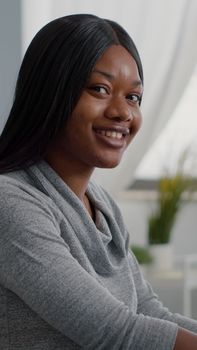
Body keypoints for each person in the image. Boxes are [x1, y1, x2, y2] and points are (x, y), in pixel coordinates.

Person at [0, 13, 196, 350]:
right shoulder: (10, 203)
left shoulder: (103, 205)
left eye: (133, 97)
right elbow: (113, 332)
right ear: (51, 92)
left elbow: (147, 309)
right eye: (100, 89)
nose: (123, 112)